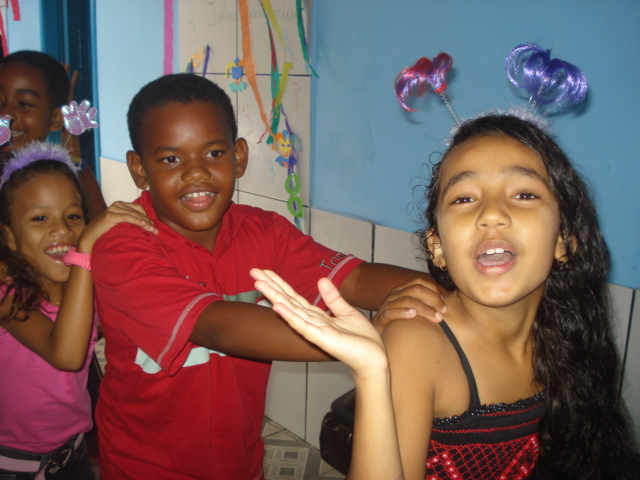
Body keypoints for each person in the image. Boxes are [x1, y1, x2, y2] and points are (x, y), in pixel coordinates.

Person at [89, 72, 446, 480]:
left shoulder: (264, 231)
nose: (196, 174)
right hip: (144, 468)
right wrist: (360, 337)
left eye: (213, 153)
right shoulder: (121, 247)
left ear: (239, 156)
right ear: (139, 169)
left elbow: (353, 279)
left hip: (241, 464)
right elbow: (216, 326)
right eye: (171, 159)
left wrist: (451, 295)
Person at [252, 114, 639, 480]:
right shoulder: (417, 341)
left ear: (563, 240)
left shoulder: (569, 334)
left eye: (524, 194)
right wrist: (372, 373)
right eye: (464, 199)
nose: (491, 213)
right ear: (437, 248)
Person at [0, 142, 157, 479]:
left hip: (74, 455)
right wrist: (85, 249)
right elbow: (66, 355)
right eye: (39, 218)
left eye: (73, 216)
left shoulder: (87, 288)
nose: (61, 229)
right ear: (10, 237)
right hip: (14, 467)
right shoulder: (8, 297)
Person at [0, 50, 106, 222]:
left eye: (24, 104)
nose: (6, 113)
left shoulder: (72, 171)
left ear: (56, 118)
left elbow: (103, 229)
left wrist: (69, 129)